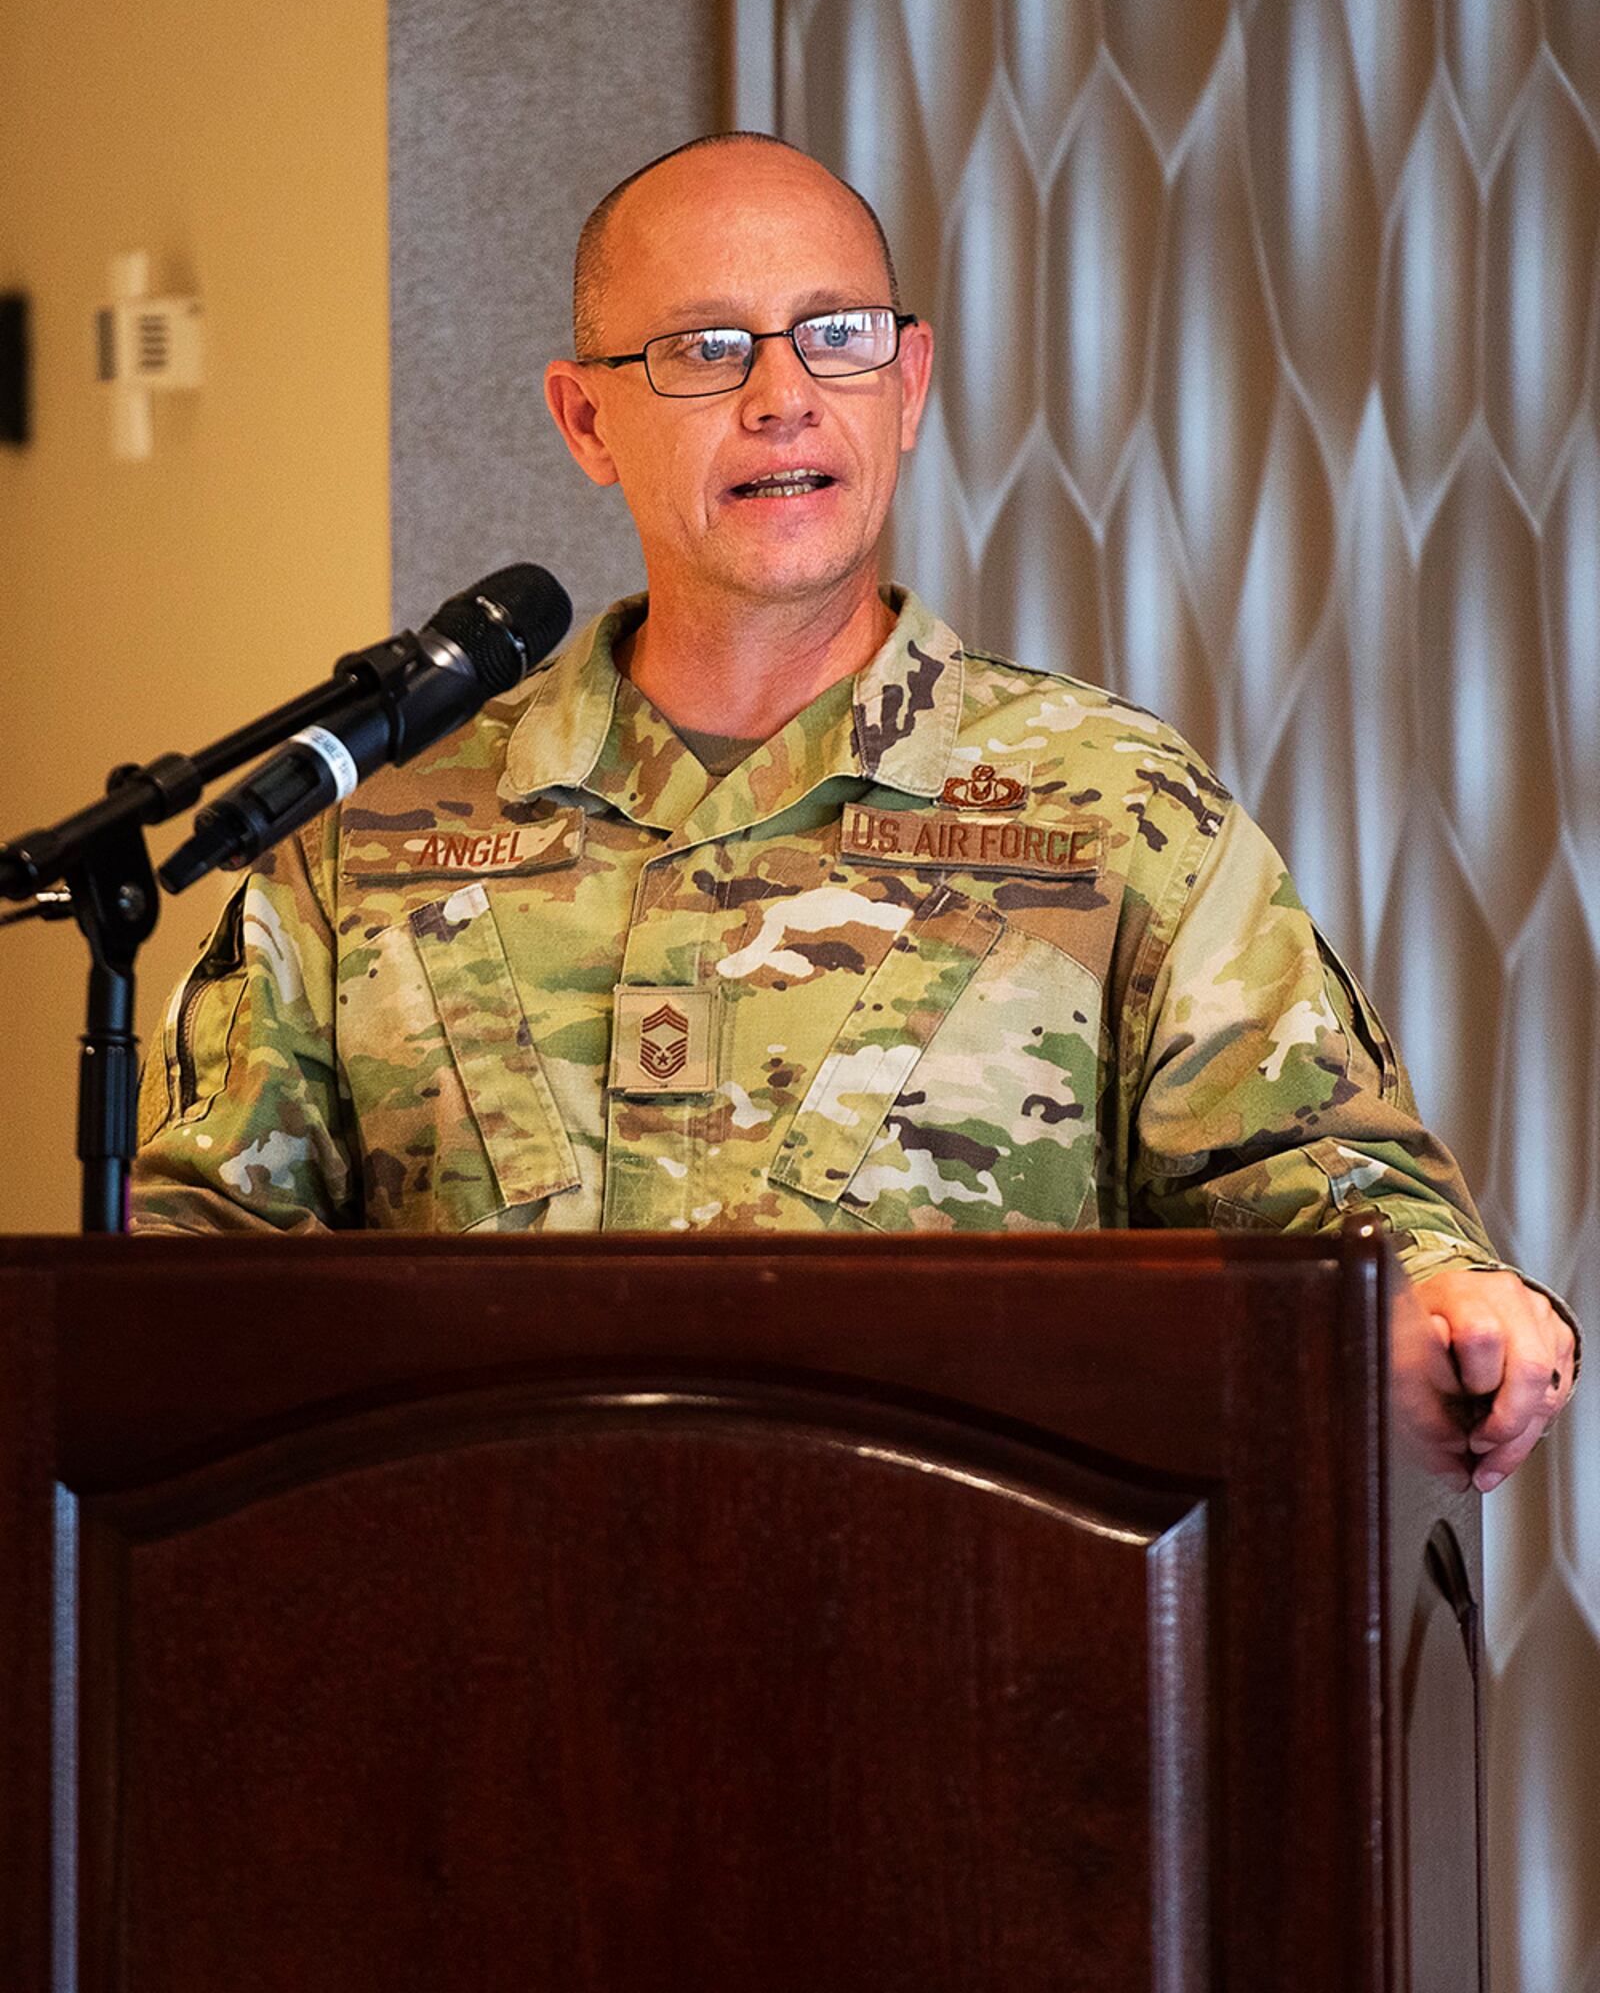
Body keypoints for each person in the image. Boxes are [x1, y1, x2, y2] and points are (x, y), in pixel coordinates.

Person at [131, 133, 1577, 1489]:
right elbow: (200, 1281)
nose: (782, 395)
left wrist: (1450, 1295)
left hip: (972, 1645)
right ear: (586, 417)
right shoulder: (379, 832)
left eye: (837, 335)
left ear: (910, 380)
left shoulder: (1111, 804)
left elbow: (1320, 1189)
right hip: (489, 1650)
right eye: (704, 348)